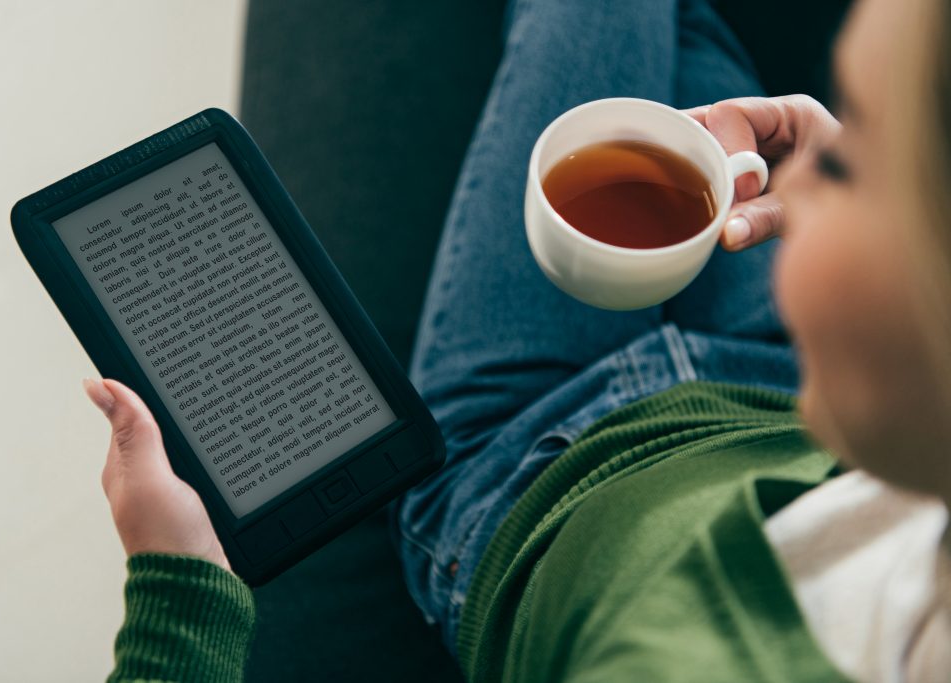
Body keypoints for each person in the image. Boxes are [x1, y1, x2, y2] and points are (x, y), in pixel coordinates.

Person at [83, 0, 951, 680]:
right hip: (771, 384)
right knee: (678, 36)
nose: (819, 158)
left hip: (520, 458)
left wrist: (179, 584)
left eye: (842, 168)